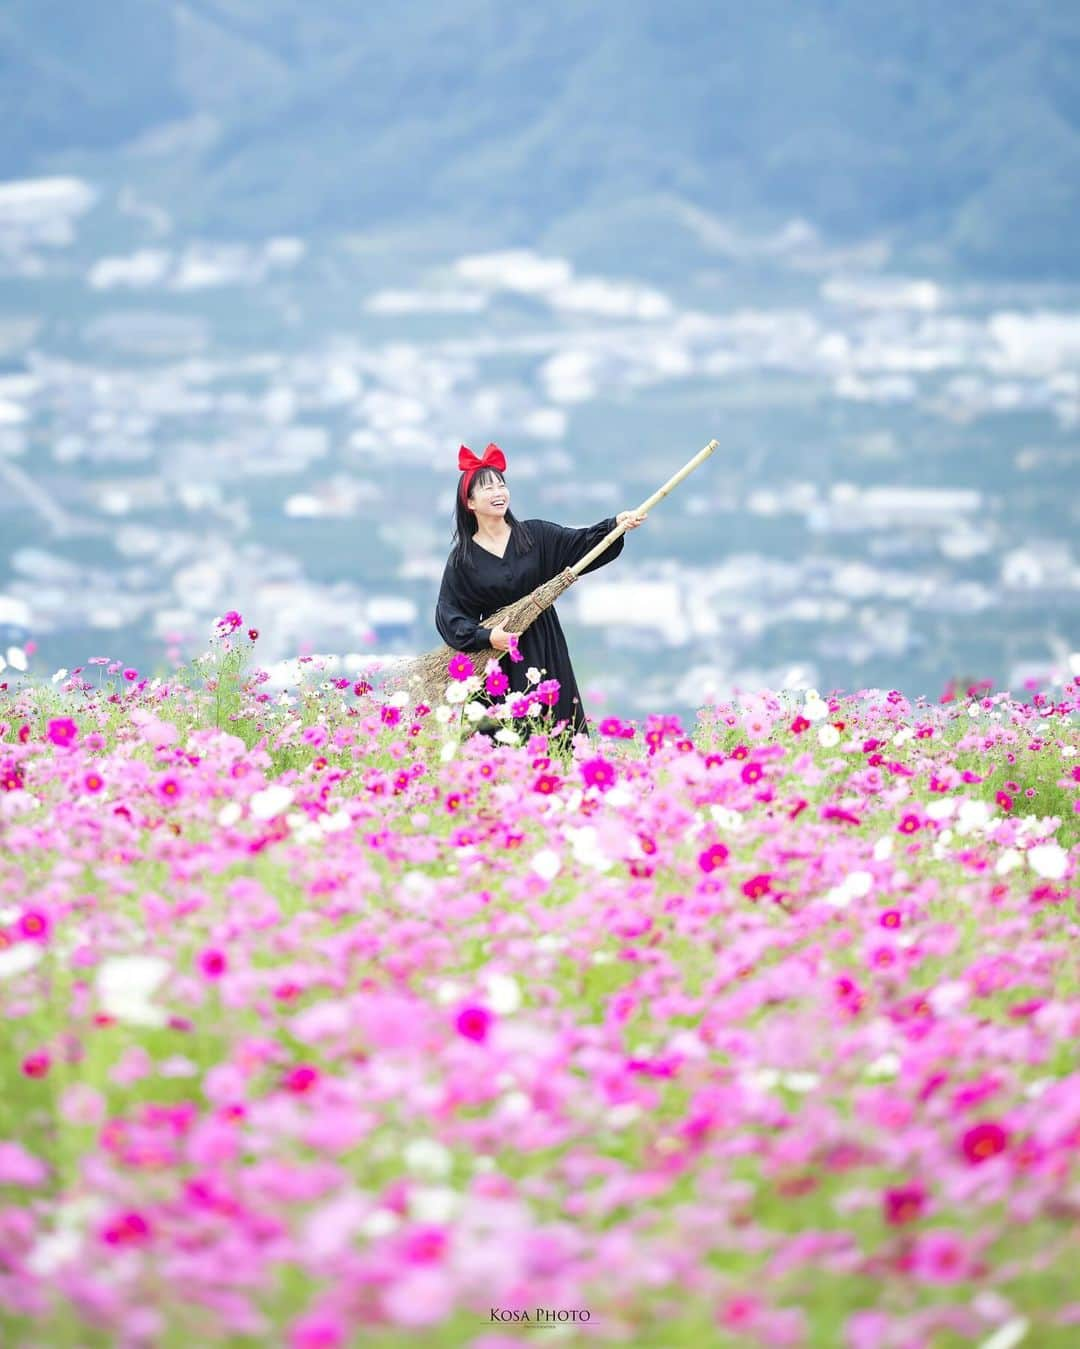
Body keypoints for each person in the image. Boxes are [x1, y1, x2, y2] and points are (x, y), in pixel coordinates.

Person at [434, 442, 646, 740]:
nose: (498, 493)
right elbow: (449, 614)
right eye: (487, 489)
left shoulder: (535, 535)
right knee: (500, 738)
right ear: (469, 503)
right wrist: (487, 636)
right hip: (496, 657)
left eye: (501, 486)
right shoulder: (462, 559)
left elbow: (582, 543)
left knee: (554, 727)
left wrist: (615, 525)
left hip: (544, 644)